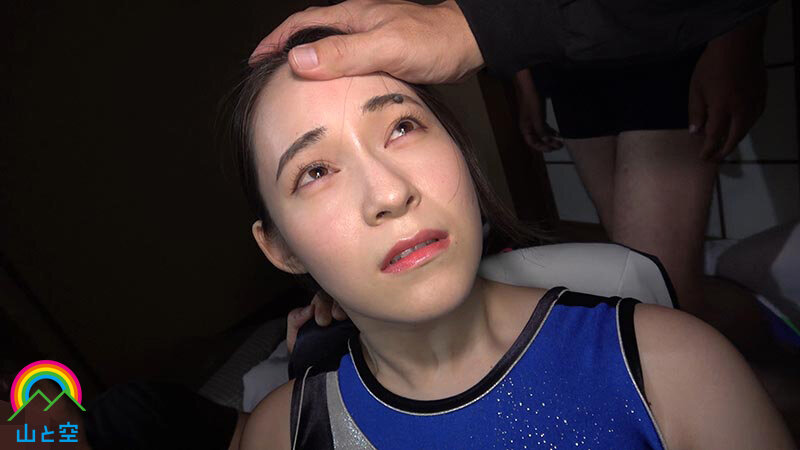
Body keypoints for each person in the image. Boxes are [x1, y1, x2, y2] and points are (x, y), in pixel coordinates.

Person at [230, 26, 793, 449]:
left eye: (402, 127)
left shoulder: (675, 365)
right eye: (316, 172)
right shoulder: (276, 433)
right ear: (279, 247)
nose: (390, 193)